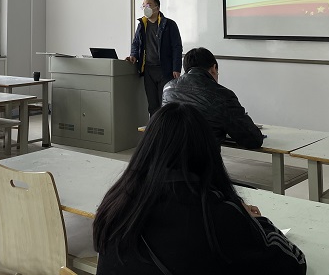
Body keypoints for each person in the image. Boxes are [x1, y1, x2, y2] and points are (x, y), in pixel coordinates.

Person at [93, 102, 306, 274]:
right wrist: (254, 221)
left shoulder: (116, 203)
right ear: (207, 151)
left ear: (147, 148)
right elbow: (294, 263)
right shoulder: (218, 215)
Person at [162, 47, 263, 149]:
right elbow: (253, 140)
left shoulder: (168, 89)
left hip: (168, 156)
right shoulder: (222, 95)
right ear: (214, 68)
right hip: (204, 157)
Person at [125, 0, 183, 117]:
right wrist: (133, 55)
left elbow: (177, 47)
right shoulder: (142, 24)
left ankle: (165, 127)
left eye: (148, 5)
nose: (145, 8)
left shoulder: (169, 24)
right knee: (152, 105)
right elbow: (136, 43)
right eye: (143, 6)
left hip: (165, 69)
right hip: (148, 70)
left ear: (157, 7)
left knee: (165, 104)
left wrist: (176, 68)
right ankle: (154, 127)